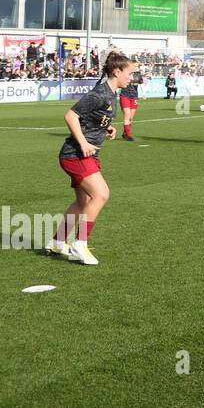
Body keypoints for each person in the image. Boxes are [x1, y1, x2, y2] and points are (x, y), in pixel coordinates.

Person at [48, 52, 136, 265]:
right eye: (130, 73)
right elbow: (71, 116)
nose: (132, 78)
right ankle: (80, 243)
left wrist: (107, 129)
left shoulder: (110, 93)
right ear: (117, 72)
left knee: (83, 201)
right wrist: (83, 143)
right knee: (102, 194)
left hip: (83, 154)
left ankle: (58, 242)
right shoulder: (100, 94)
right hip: (75, 155)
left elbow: (93, 119)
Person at [118, 65, 144, 141]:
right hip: (125, 95)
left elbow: (141, 84)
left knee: (131, 118)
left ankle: (125, 133)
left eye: (137, 66)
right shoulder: (126, 73)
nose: (136, 67)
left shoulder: (138, 74)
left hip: (134, 96)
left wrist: (144, 93)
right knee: (127, 115)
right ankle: (128, 135)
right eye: (134, 65)